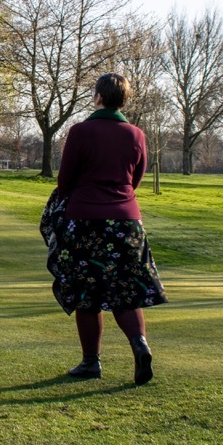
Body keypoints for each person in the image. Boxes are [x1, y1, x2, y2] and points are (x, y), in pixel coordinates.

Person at [51, 72, 167, 385]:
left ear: (98, 97)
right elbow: (136, 179)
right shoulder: (136, 134)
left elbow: (65, 180)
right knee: (125, 291)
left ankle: (91, 362)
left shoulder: (80, 131)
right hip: (127, 221)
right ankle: (139, 344)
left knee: (88, 292)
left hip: (86, 218)